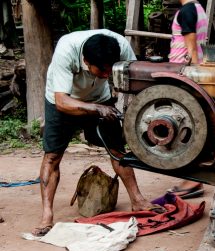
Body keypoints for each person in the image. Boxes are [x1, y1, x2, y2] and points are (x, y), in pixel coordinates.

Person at [33, 29, 159, 236]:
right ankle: (47, 216)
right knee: (52, 156)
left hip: (100, 98)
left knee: (117, 150)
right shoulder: (66, 50)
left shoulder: (119, 45)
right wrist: (96, 109)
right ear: (85, 61)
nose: (107, 75)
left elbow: (136, 80)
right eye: (102, 72)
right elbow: (61, 102)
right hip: (63, 100)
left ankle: (138, 200)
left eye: (110, 71)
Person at [166, 0, 207, 198]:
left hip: (183, 73)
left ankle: (193, 181)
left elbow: (191, 45)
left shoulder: (188, 10)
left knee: (186, 126)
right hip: (188, 73)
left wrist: (193, 69)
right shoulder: (199, 8)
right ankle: (193, 179)